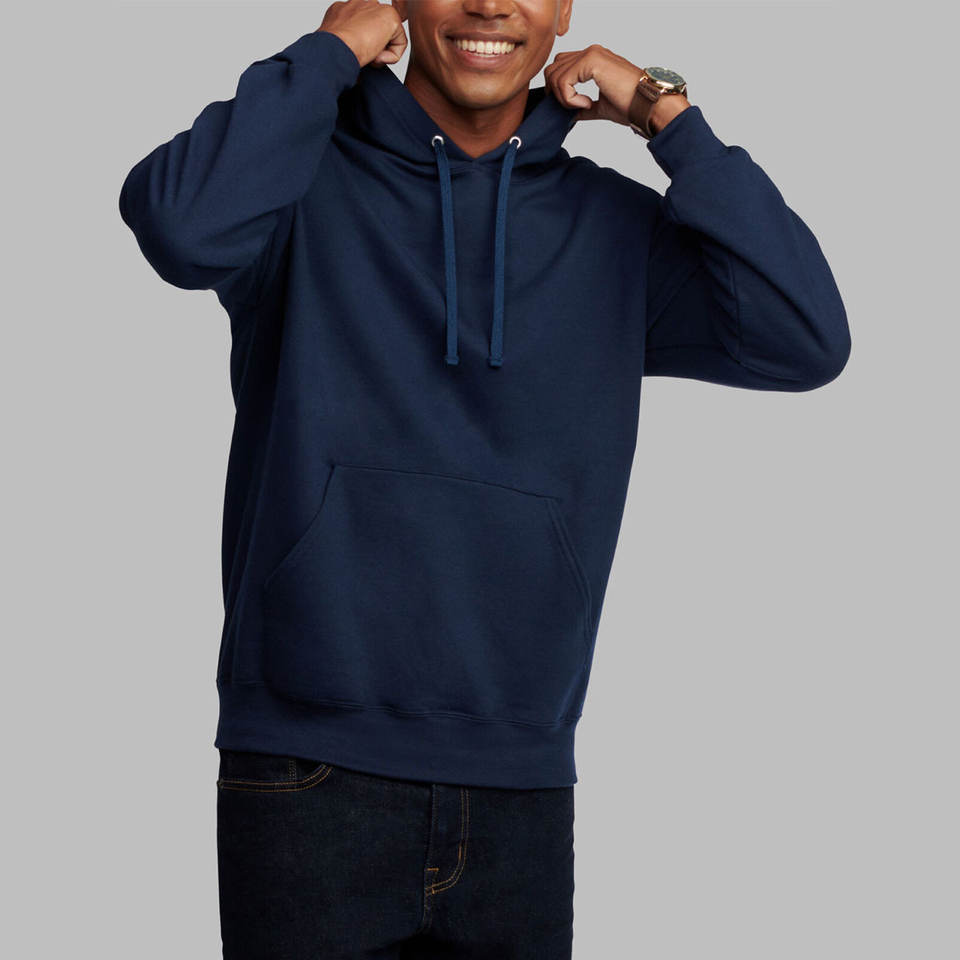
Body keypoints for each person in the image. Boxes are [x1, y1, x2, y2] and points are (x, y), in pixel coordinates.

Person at [118, 0, 851, 956]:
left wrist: (666, 115)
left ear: (564, 11)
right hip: (305, 766)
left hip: (522, 780)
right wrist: (328, 54)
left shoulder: (615, 229)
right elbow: (178, 225)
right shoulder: (296, 188)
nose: (491, 4)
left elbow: (806, 337)